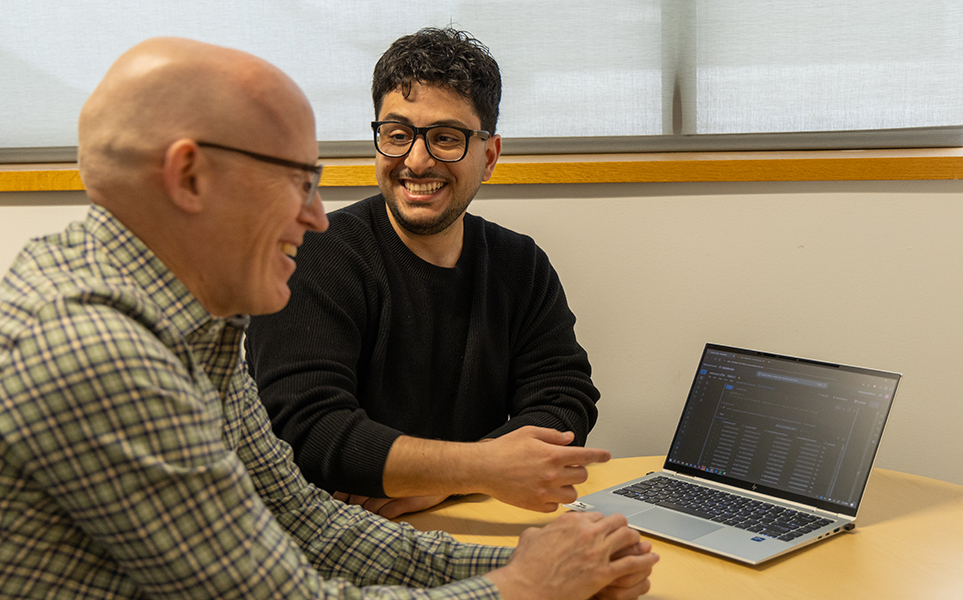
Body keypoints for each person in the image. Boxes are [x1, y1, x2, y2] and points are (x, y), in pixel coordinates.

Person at [0, 37, 657, 599]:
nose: (317, 215)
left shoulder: (203, 325)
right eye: (298, 180)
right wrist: (522, 586)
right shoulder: (93, 347)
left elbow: (304, 521)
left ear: (487, 152)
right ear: (190, 177)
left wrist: (532, 563)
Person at [246, 27, 605, 519]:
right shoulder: (316, 255)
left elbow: (566, 399)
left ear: (490, 155)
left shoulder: (520, 265)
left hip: (465, 516)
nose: (416, 161)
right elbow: (306, 429)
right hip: (333, 534)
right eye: (397, 135)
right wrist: (479, 468)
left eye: (445, 138)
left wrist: (449, 483)